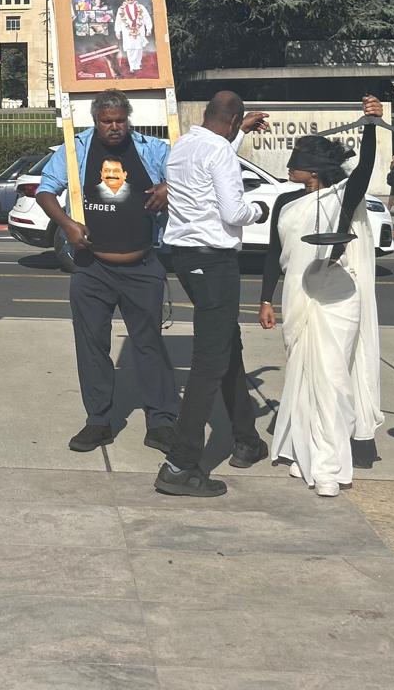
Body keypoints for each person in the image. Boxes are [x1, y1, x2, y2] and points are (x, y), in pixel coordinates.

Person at [35, 89, 180, 457]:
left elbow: (192, 176)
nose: (114, 127)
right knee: (92, 347)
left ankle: (161, 423)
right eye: (107, 121)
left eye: (120, 120)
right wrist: (67, 224)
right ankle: (98, 421)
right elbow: (45, 191)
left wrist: (170, 186)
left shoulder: (153, 149)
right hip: (92, 268)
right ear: (95, 121)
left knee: (149, 345)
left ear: (128, 119)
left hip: (142, 266)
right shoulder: (76, 150)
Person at [259, 97, 386, 497]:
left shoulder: (343, 197)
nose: (288, 168)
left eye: (295, 163)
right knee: (302, 378)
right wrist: (265, 299)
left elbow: (364, 169)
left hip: (336, 297)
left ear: (313, 171)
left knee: (331, 379)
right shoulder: (285, 201)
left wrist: (370, 125)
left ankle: (329, 466)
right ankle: (306, 450)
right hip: (298, 295)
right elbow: (272, 255)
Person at [155, 90, 272, 498]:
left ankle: (246, 439)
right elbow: (234, 212)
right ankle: (180, 465)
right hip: (215, 261)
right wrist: (260, 211)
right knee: (210, 361)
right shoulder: (219, 151)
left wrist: (239, 134)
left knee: (227, 346)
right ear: (235, 119)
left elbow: (212, 162)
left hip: (185, 258)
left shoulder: (184, 146)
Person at [113, 0, 152, 74]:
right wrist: (117, 31)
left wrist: (148, 29)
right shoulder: (121, 9)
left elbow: (146, 18)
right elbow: (118, 21)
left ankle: (138, 64)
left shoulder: (141, 7)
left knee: (139, 48)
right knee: (130, 48)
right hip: (127, 32)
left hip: (139, 30)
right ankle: (132, 66)